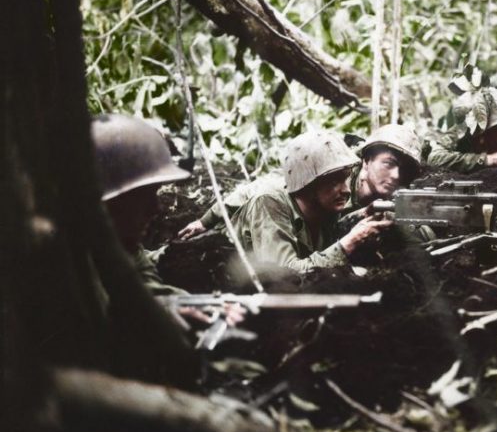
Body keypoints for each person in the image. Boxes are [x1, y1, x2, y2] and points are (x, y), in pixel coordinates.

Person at [92, 113, 244, 325]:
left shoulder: (122, 244)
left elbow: (145, 284)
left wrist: (190, 302)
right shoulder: (61, 259)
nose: (155, 208)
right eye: (142, 196)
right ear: (107, 200)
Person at [178, 124, 423, 239]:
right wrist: (204, 221)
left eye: (405, 170)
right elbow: (264, 188)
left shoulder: (396, 194)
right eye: (388, 164)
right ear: (367, 160)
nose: (396, 176)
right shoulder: (333, 172)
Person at [231, 130, 392, 272]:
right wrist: (350, 242)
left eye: (346, 179)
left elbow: (332, 234)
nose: (346, 190)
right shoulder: (269, 203)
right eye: (334, 182)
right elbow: (283, 278)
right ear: (307, 183)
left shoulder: (323, 205)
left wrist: (363, 215)